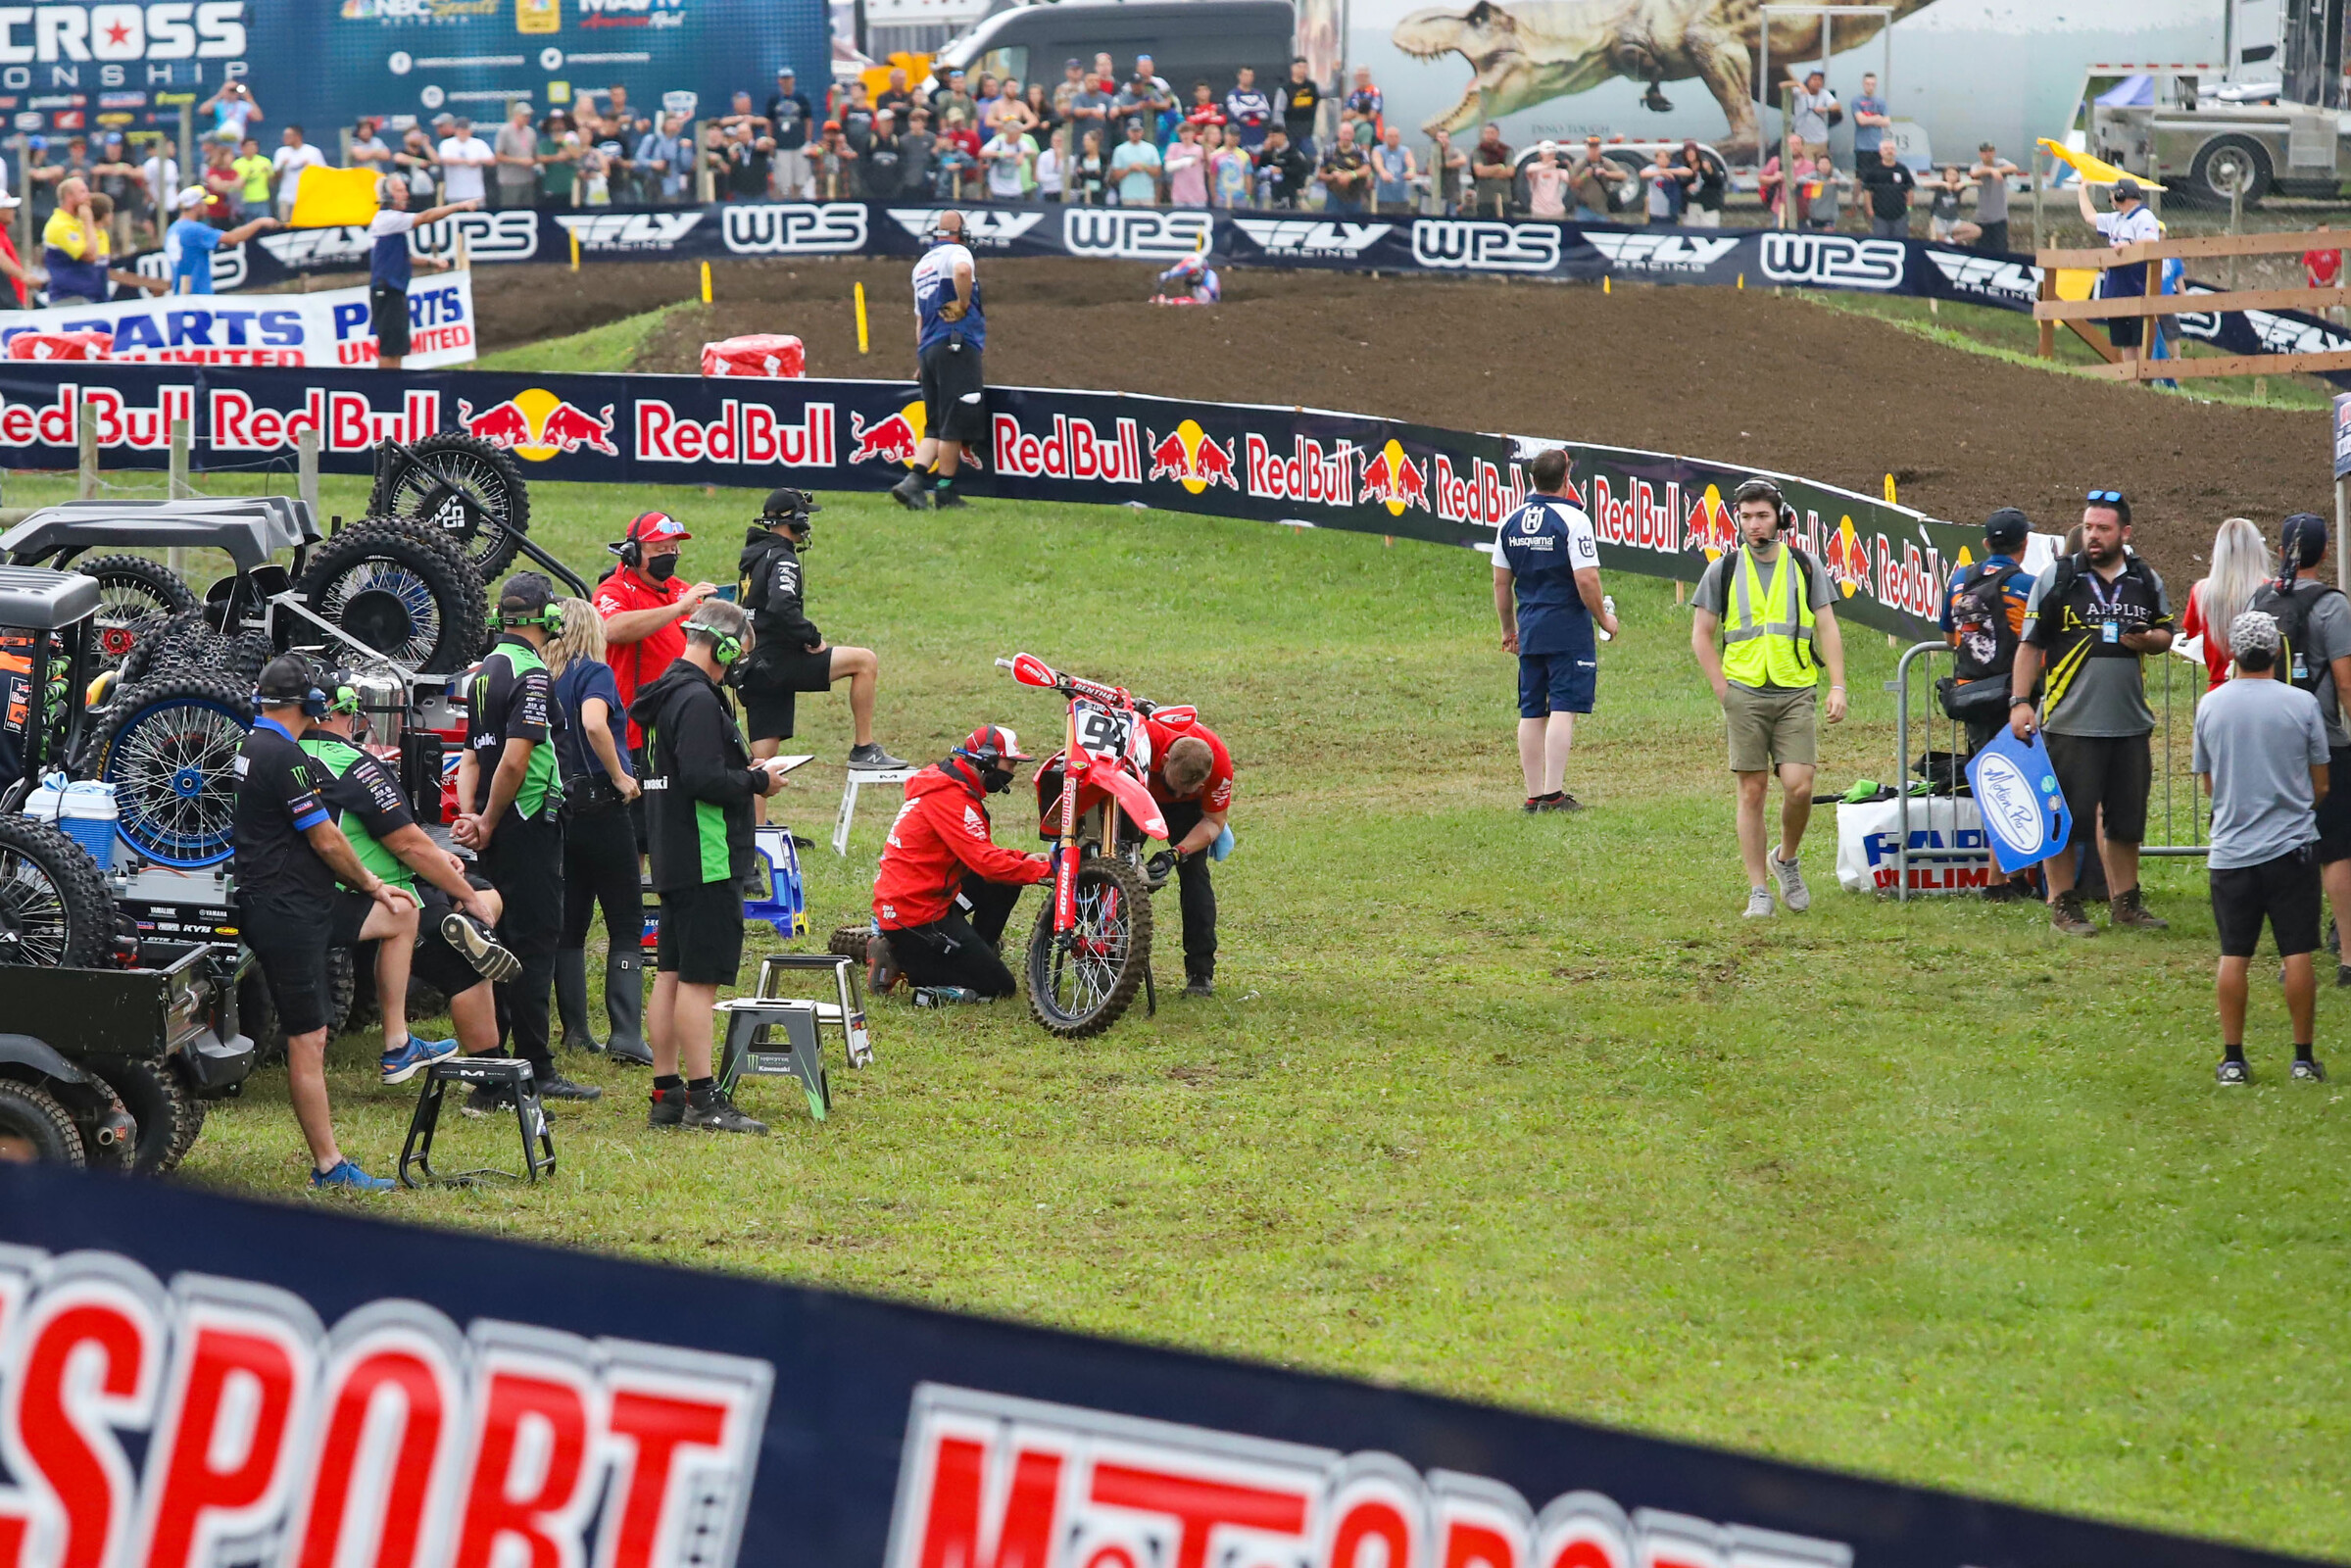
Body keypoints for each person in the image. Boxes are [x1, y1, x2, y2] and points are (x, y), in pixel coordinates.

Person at [235, 656, 416, 1192]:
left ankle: (399, 1042)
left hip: (300, 905)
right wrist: (372, 883)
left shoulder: (254, 744)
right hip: (287, 914)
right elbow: (327, 839)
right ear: (311, 705)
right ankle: (330, 1167)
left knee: (400, 915)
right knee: (308, 1036)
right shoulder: (284, 756)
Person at [298, 671, 519, 1081]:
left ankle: (469, 925)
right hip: (378, 892)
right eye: (351, 709)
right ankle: (490, 1082)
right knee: (466, 963)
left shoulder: (271, 754)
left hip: (332, 886)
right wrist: (460, 888)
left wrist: (441, 861)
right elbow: (407, 844)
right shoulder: (350, 763)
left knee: (478, 891)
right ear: (337, 710)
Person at [630, 599, 786, 1134]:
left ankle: (667, 1092)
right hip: (707, 856)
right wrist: (758, 780)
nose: (735, 666)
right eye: (736, 655)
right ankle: (702, 1098)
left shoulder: (667, 692)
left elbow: (682, 770)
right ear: (722, 648)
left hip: (676, 853)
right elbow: (702, 778)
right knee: (699, 982)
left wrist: (741, 768)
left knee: (670, 975)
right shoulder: (698, 699)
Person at [452, 574, 605, 1110]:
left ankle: (498, 1066)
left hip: (496, 826)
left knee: (499, 940)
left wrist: (471, 816)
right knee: (534, 944)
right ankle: (536, 1068)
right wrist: (491, 820)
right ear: (550, 619)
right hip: (527, 822)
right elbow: (516, 760)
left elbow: (471, 756)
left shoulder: (483, 672)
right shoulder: (532, 674)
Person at [2008, 490, 2174, 936]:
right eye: (2088, 527)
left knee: (2126, 822)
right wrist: (2019, 702)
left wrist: (2149, 641)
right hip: (2070, 723)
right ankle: (2064, 905)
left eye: (2103, 528)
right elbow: (2030, 645)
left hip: (2129, 724)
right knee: (2063, 821)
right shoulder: (2059, 577)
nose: (2093, 535)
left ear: (2125, 532)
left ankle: (2126, 904)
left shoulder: (2145, 579)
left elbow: (2166, 635)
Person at [1690, 476, 1849, 917]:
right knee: (1752, 791)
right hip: (1743, 692)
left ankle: (1786, 860)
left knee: (1800, 787)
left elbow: (1827, 626)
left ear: (1781, 518)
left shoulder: (1805, 565)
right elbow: (1701, 635)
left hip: (1796, 689)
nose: (1754, 524)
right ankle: (1758, 889)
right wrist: (1723, 690)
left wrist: (1837, 685)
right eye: (1746, 517)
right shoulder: (1722, 569)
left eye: (1762, 515)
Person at [2194, 610, 2330, 1084]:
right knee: (2298, 951)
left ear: (2232, 652)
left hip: (2232, 849)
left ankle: (2233, 1058)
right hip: (2292, 846)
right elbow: (2320, 782)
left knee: (2235, 953)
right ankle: (2303, 1059)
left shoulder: (2211, 705)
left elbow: (2210, 783)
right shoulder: (2302, 704)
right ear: (2276, 650)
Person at [736, 486, 906, 787]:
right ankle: (864, 748)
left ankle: (749, 819)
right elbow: (781, 607)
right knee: (864, 661)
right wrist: (812, 638)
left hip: (754, 667)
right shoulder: (784, 558)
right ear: (795, 520)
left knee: (762, 764)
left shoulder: (755, 556)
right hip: (778, 662)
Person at [866, 725, 1053, 999]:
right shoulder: (950, 797)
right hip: (915, 917)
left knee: (1003, 883)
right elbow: (986, 863)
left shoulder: (950, 788)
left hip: (926, 899)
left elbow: (980, 853)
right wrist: (1050, 869)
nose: (1012, 772)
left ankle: (975, 952)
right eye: (1010, 763)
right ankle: (899, 959)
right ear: (987, 760)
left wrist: (1024, 859)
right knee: (1000, 986)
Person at [545, 598, 651, 1066]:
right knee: (625, 921)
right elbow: (593, 722)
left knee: (571, 924)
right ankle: (626, 1032)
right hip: (602, 807)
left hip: (560, 809)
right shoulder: (594, 673)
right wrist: (620, 776)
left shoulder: (543, 678)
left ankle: (576, 1031)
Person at [2249, 513, 2351, 986]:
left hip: (2269, 743)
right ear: (2324, 552)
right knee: (2337, 849)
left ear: (2280, 551)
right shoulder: (2333, 606)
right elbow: (2345, 682)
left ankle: (2290, 954)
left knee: (2284, 846)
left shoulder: (2260, 599)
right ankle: (2349, 956)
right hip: (2324, 741)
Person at [1495, 447, 1617, 812]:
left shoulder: (1509, 521)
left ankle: (1533, 795)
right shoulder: (1574, 519)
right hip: (1567, 628)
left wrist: (1509, 630)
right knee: (1563, 706)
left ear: (1531, 479)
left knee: (1532, 710)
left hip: (1531, 626)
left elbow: (1501, 584)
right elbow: (1587, 579)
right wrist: (1604, 619)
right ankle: (1553, 794)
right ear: (1566, 478)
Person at [596, 510, 718, 759]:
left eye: (673, 549)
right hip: (634, 727)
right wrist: (677, 609)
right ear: (633, 553)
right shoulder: (613, 590)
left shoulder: (682, 590)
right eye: (660, 550)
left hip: (682, 720)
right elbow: (611, 628)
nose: (669, 555)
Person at [891, 211, 988, 513]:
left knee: (935, 424)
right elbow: (962, 272)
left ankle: (913, 481)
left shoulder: (921, 266)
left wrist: (922, 357)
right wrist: (963, 302)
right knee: (953, 423)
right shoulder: (958, 253)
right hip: (955, 344)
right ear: (960, 233)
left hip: (930, 348)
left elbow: (920, 319)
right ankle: (945, 491)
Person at [1142, 716, 1236, 997]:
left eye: (1189, 789)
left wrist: (1175, 853)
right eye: (1176, 786)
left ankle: (1200, 972)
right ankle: (1105, 956)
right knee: (1116, 863)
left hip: (1186, 811)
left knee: (1195, 872)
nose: (1179, 792)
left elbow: (1214, 822)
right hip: (1139, 793)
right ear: (1165, 760)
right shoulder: (1145, 740)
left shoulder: (1220, 765)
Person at [1939, 507, 2037, 758]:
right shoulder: (2030, 586)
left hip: (1970, 696)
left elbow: (1950, 638)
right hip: (2015, 694)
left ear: (1986, 544)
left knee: (1984, 769)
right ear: (2025, 543)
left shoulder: (1960, 579)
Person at [366, 177, 475, 370]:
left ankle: (393, 384)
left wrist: (430, 262)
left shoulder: (390, 223)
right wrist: (458, 206)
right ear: (388, 196)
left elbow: (404, 257)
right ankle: (384, 386)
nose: (406, 194)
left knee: (397, 348)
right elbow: (426, 217)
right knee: (390, 349)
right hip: (387, 291)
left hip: (393, 291)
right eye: (400, 190)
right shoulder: (388, 219)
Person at [2183, 516, 2269, 693]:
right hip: (2260, 688)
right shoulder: (2269, 590)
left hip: (2218, 689)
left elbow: (2190, 632)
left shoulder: (2201, 592)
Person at [2080, 175, 2159, 362]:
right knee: (2125, 341)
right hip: (2116, 288)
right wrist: (2082, 191)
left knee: (2141, 340)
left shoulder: (2144, 217)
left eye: (2114, 193)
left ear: (2122, 196)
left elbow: (2150, 242)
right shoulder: (2116, 218)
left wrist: (2129, 245)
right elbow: (2090, 217)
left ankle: (2144, 376)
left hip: (2136, 288)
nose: (2111, 197)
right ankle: (2130, 377)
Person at [164, 186, 276, 294]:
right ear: (196, 206)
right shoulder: (194, 229)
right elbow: (232, 238)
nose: (207, 208)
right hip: (198, 297)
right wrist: (260, 222)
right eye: (205, 204)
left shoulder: (172, 230)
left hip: (182, 296)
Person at [1858, 139, 1915, 238]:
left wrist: (1908, 209)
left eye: (1892, 149)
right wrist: (1870, 210)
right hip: (1879, 217)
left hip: (1900, 216)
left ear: (1895, 152)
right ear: (1880, 152)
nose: (1889, 151)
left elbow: (1910, 190)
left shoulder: (1902, 169)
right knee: (1881, 243)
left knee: (1901, 242)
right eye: (1886, 149)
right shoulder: (1873, 170)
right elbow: (1867, 192)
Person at [1969, 144, 2019, 253]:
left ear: (1994, 152)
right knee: (1982, 250)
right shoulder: (1977, 166)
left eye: (1990, 151)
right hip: (1982, 217)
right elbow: (1974, 174)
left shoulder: (2001, 162)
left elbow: (2014, 168)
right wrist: (1992, 171)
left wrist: (1996, 170)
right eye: (1984, 152)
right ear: (1980, 154)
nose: (1988, 154)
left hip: (1999, 217)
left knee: (2001, 249)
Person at [270, 124, 324, 220]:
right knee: (285, 224)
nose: (284, 138)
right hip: (286, 198)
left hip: (307, 197)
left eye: (288, 136)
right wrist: (282, 166)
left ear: (297, 136)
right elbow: (275, 178)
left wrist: (310, 168)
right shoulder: (281, 152)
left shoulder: (313, 152)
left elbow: (323, 174)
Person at [493, 102, 539, 210]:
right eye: (524, 116)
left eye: (528, 116)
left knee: (528, 211)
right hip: (510, 182)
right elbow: (498, 156)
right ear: (516, 115)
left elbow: (534, 155)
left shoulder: (531, 132)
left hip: (528, 180)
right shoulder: (505, 131)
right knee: (511, 211)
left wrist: (533, 161)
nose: (527, 118)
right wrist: (519, 161)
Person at [1786, 68, 1835, 161]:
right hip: (1805, 140)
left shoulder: (1824, 94)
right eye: (1814, 79)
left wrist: (1825, 109)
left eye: (1819, 80)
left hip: (1821, 139)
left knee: (1822, 165)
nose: (1817, 82)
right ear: (1808, 80)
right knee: (1808, 166)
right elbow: (1782, 85)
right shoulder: (1798, 91)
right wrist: (1798, 84)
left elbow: (1836, 106)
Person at [1255, 126, 1310, 208]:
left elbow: (1301, 170)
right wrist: (1265, 152)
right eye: (1269, 137)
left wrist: (1282, 170)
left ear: (1283, 136)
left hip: (1290, 193)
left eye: (1273, 136)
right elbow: (1261, 168)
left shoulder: (1294, 153)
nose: (1271, 140)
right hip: (1274, 192)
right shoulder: (1270, 153)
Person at [1280, 57, 1322, 160]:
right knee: (1290, 158)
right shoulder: (1285, 89)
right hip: (1290, 132)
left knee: (1313, 158)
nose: (1302, 70)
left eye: (1305, 67)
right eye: (1299, 67)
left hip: (1308, 132)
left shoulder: (1313, 87)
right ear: (1293, 68)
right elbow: (1279, 111)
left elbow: (1328, 94)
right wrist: (1281, 131)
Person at [1110, 120, 1161, 206]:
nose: (1135, 134)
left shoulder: (1151, 148)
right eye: (1133, 131)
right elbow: (1115, 175)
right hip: (1128, 195)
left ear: (1142, 132)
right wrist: (1130, 169)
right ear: (1128, 132)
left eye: (1138, 131)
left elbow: (1158, 172)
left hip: (1147, 195)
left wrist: (1144, 167)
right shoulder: (1120, 150)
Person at [1318, 128, 1369, 214]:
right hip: (1334, 196)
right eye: (1344, 133)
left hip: (1354, 195)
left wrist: (1351, 175)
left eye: (1349, 134)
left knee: (1354, 220)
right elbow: (1319, 175)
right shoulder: (1329, 150)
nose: (1347, 137)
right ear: (1339, 134)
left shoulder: (1360, 151)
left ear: (1353, 135)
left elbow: (1366, 169)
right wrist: (1332, 176)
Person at [1470, 123, 1514, 217]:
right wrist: (1498, 167)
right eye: (1486, 133)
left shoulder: (1507, 150)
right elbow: (1479, 172)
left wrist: (1487, 171)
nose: (1489, 135)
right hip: (1484, 199)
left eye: (1492, 133)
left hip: (1504, 198)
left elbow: (1510, 172)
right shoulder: (1478, 151)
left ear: (1498, 134)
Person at [1371, 126, 1417, 215]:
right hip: (1384, 198)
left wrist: (1411, 171)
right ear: (1385, 138)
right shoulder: (1378, 150)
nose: (1393, 139)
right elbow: (1377, 162)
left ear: (1399, 138)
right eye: (1390, 136)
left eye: (1396, 136)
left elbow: (1410, 161)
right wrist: (1383, 172)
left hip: (1402, 198)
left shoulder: (1405, 150)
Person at [1225, 66, 1273, 150]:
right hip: (1241, 138)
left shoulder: (1259, 94)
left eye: (1251, 75)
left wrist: (1249, 112)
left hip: (1259, 137)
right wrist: (1255, 112)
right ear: (1239, 76)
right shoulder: (1233, 95)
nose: (1248, 78)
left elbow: (1266, 113)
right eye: (1245, 75)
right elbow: (1238, 114)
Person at [1850, 71, 1889, 166]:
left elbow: (1886, 122)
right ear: (1863, 84)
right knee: (1863, 174)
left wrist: (1868, 119)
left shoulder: (1881, 102)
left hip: (1878, 147)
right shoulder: (1857, 101)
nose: (1870, 87)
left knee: (1878, 173)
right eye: (1868, 84)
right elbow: (1861, 121)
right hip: (1862, 148)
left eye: (1873, 84)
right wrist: (1877, 117)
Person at [1165, 122, 1207, 206]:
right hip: (1179, 197)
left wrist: (1205, 144)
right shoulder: (1174, 147)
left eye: (1188, 132)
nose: (1185, 135)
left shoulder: (1200, 149)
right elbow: (1168, 167)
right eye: (1182, 132)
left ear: (1193, 133)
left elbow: (1209, 162)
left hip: (1198, 197)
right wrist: (1186, 161)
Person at [1681, 142, 1723, 226]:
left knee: (1708, 230)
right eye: (1688, 154)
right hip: (1692, 204)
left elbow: (1719, 183)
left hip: (1708, 205)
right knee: (1691, 230)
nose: (1690, 155)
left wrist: (1710, 171)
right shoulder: (1684, 169)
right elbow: (1681, 186)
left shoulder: (1706, 165)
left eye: (1692, 153)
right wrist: (1687, 189)